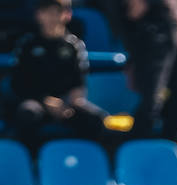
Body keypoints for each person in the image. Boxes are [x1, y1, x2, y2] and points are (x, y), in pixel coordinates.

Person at [10, 0, 112, 145]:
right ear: (38, 15)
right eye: (47, 12)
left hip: (66, 104)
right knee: (27, 114)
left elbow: (79, 83)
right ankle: (32, 160)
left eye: (57, 12)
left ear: (67, 15)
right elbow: (18, 84)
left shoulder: (74, 46)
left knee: (96, 119)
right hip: (37, 101)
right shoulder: (27, 45)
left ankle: (82, 159)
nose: (52, 18)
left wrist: (70, 102)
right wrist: (45, 100)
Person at [100, 0, 177, 140]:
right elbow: (131, 12)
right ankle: (137, 148)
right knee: (151, 100)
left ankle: (170, 147)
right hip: (153, 31)